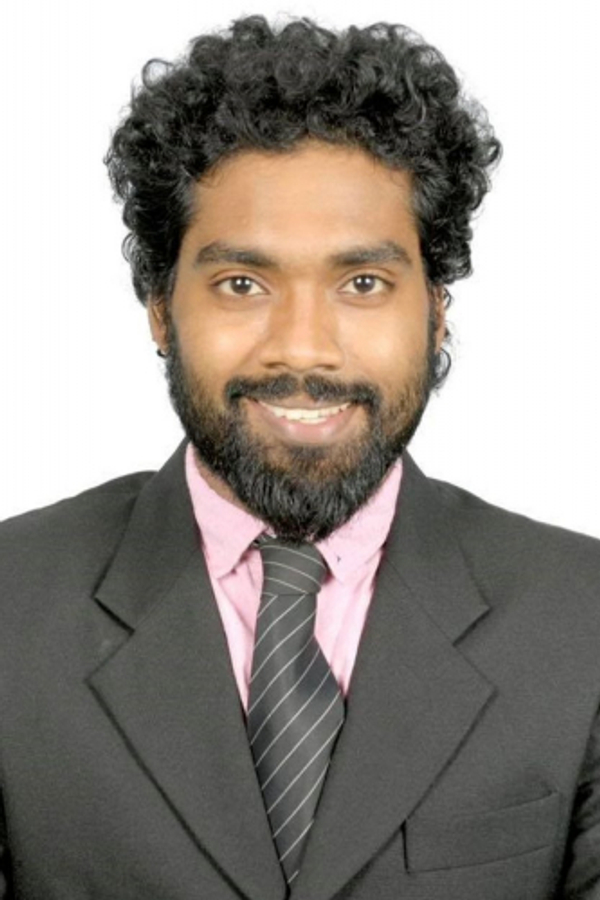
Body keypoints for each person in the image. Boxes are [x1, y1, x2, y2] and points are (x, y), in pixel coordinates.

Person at [0, 14, 598, 900]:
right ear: (160, 309)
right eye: (242, 284)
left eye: (363, 283)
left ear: (436, 310)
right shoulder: (9, 604)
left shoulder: (584, 618)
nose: (304, 348)